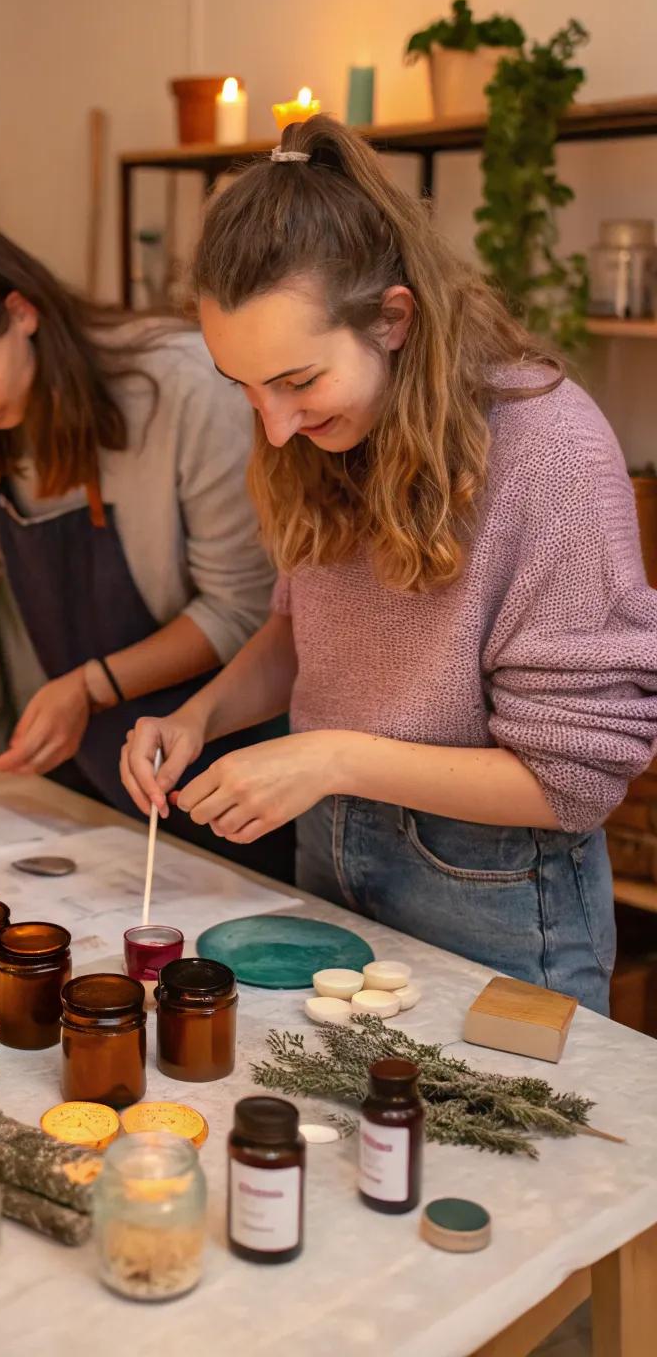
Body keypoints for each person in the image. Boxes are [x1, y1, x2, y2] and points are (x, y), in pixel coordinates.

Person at [121, 116, 657, 1013]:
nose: (274, 426)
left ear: (395, 317)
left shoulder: (550, 452)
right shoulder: (324, 439)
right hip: (330, 863)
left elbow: (573, 782)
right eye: (242, 386)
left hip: (495, 900)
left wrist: (329, 757)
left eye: (297, 381)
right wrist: (199, 716)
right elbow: (303, 635)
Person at [0, 210, 294, 881]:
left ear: (21, 312)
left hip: (231, 774)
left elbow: (241, 608)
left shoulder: (180, 387)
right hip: (107, 784)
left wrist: (90, 687)